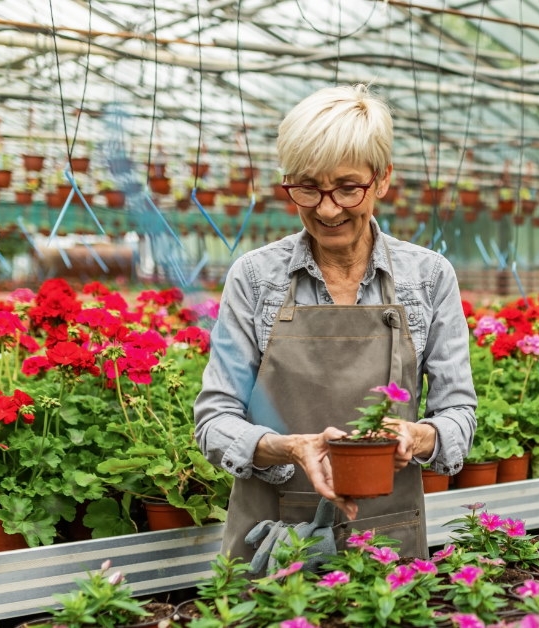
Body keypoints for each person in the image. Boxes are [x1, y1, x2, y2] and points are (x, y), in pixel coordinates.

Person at [194, 84, 477, 566]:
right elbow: (214, 420)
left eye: (348, 187)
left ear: (382, 179)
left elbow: (458, 415)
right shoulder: (256, 277)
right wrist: (286, 448)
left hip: (386, 534)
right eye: (307, 187)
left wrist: (418, 436)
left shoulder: (427, 277)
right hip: (273, 536)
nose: (327, 209)